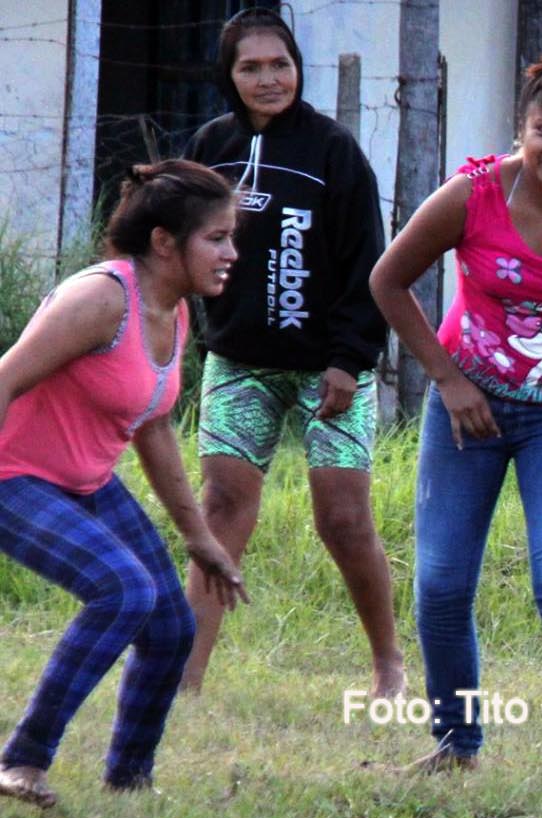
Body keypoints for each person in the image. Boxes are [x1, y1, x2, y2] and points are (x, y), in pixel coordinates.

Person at [369, 42, 542, 792]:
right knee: (442, 584)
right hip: (469, 412)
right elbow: (388, 281)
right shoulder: (473, 195)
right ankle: (457, 743)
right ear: (521, 129)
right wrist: (449, 381)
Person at [0, 161, 249, 808]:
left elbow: (155, 427)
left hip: (84, 482)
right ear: (165, 241)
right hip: (12, 475)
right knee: (122, 589)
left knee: (170, 623)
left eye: (231, 237)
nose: (232, 252)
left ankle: (130, 780)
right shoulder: (103, 299)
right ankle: (23, 760)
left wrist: (199, 539)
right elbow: (5, 379)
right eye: (216, 238)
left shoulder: (175, 308)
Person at [181, 8, 402, 698]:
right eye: (250, 67)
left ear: (297, 67)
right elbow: (180, 251)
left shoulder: (333, 151)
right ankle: (185, 677)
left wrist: (349, 358)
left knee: (342, 519)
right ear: (229, 75)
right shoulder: (208, 149)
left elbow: (371, 257)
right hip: (238, 363)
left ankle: (388, 663)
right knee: (220, 507)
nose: (268, 79)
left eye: (280, 64)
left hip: (329, 369)